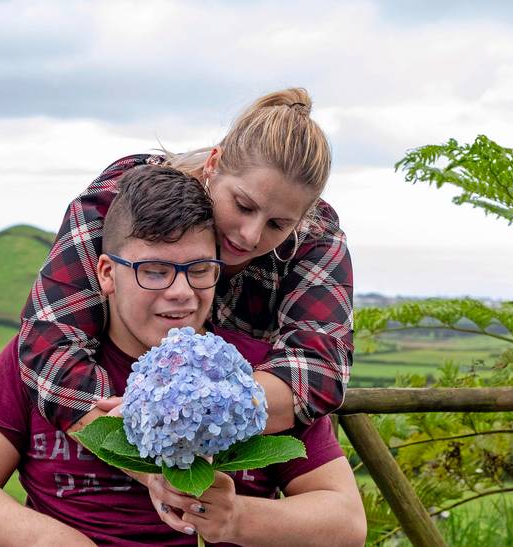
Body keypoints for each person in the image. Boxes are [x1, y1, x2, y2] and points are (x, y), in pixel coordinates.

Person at [0, 166, 366, 546]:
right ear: (107, 273)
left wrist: (238, 519)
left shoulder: (257, 378)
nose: (181, 293)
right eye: (155, 271)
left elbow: (346, 521)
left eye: (199, 270)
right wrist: (52, 540)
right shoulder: (46, 361)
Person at [20, 87, 354, 436]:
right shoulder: (126, 194)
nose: (250, 236)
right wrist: (133, 440)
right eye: (243, 206)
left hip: (228, 456)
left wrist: (187, 417)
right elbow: (51, 343)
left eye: (278, 225)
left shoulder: (318, 237)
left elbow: (320, 371)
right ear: (213, 164)